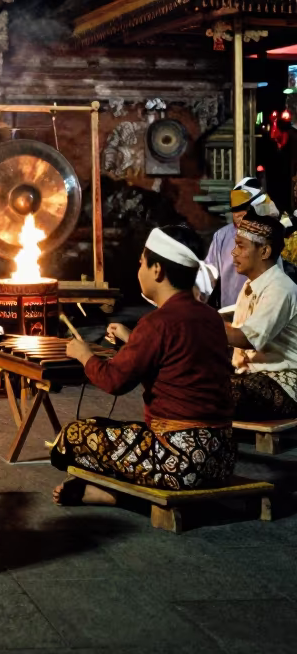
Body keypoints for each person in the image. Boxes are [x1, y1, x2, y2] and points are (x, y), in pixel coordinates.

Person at [51, 224, 235, 506]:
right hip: (222, 457)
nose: (138, 270)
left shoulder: (156, 323)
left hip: (179, 463)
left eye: (141, 264)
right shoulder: (210, 317)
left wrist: (84, 354)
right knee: (124, 432)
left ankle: (118, 496)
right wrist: (131, 338)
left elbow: (114, 381)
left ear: (158, 270)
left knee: (73, 437)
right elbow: (178, 356)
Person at [225, 212, 297, 419]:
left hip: (284, 383)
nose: (233, 253)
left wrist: (204, 322)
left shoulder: (280, 288)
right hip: (252, 377)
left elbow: (246, 338)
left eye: (241, 246)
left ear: (264, 251)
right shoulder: (249, 286)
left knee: (216, 393)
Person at [204, 177, 275, 310]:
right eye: (235, 209)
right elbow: (209, 275)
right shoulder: (221, 237)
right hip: (230, 312)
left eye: (244, 208)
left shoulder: (268, 236)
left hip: (263, 312)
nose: (238, 214)